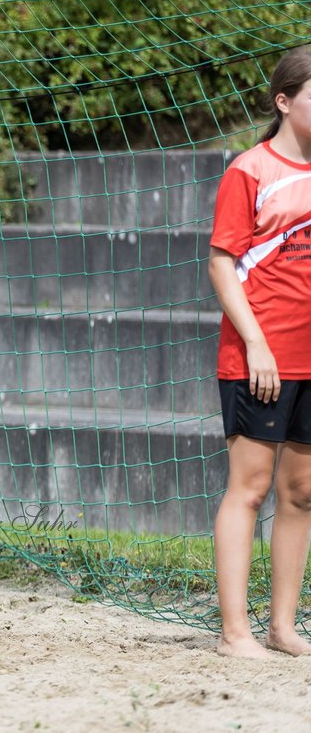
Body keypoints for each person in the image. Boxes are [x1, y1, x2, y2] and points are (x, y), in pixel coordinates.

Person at [209, 45, 311, 658]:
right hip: (260, 357)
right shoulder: (250, 170)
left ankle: (282, 627)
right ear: (284, 101)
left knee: (301, 493)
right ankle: (234, 632)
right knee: (248, 489)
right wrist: (256, 344)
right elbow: (222, 263)